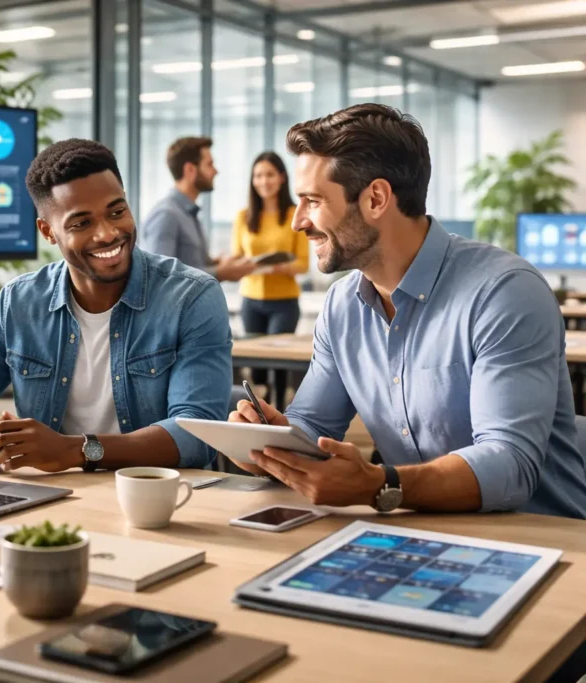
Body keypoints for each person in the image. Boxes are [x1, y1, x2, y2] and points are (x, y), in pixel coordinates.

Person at [229, 103, 586, 519]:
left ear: (376, 198)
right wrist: (270, 445)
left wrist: (381, 484)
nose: (297, 222)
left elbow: (509, 466)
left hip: (541, 538)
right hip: (417, 530)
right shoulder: (342, 307)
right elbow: (314, 427)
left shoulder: (504, 292)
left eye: (312, 200)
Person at [0, 138, 232, 473]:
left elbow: (197, 434)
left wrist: (75, 450)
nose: (107, 234)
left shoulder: (192, 297)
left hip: (160, 495)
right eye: (82, 223)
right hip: (53, 496)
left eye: (116, 212)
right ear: (48, 231)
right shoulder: (17, 303)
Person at [231, 151, 307, 399]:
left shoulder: (295, 214)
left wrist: (274, 267)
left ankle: (280, 411)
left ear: (282, 177)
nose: (264, 181)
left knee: (280, 365)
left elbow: (303, 263)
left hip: (284, 302)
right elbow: (237, 257)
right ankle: (260, 412)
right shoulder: (243, 217)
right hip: (251, 301)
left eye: (270, 175)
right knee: (258, 369)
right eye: (258, 175)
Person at [140, 136, 252, 282]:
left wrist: (216, 263)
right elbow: (159, 276)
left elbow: (189, 264)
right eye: (210, 164)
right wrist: (220, 272)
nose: (215, 171)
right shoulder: (166, 215)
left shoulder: (188, 213)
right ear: (190, 169)